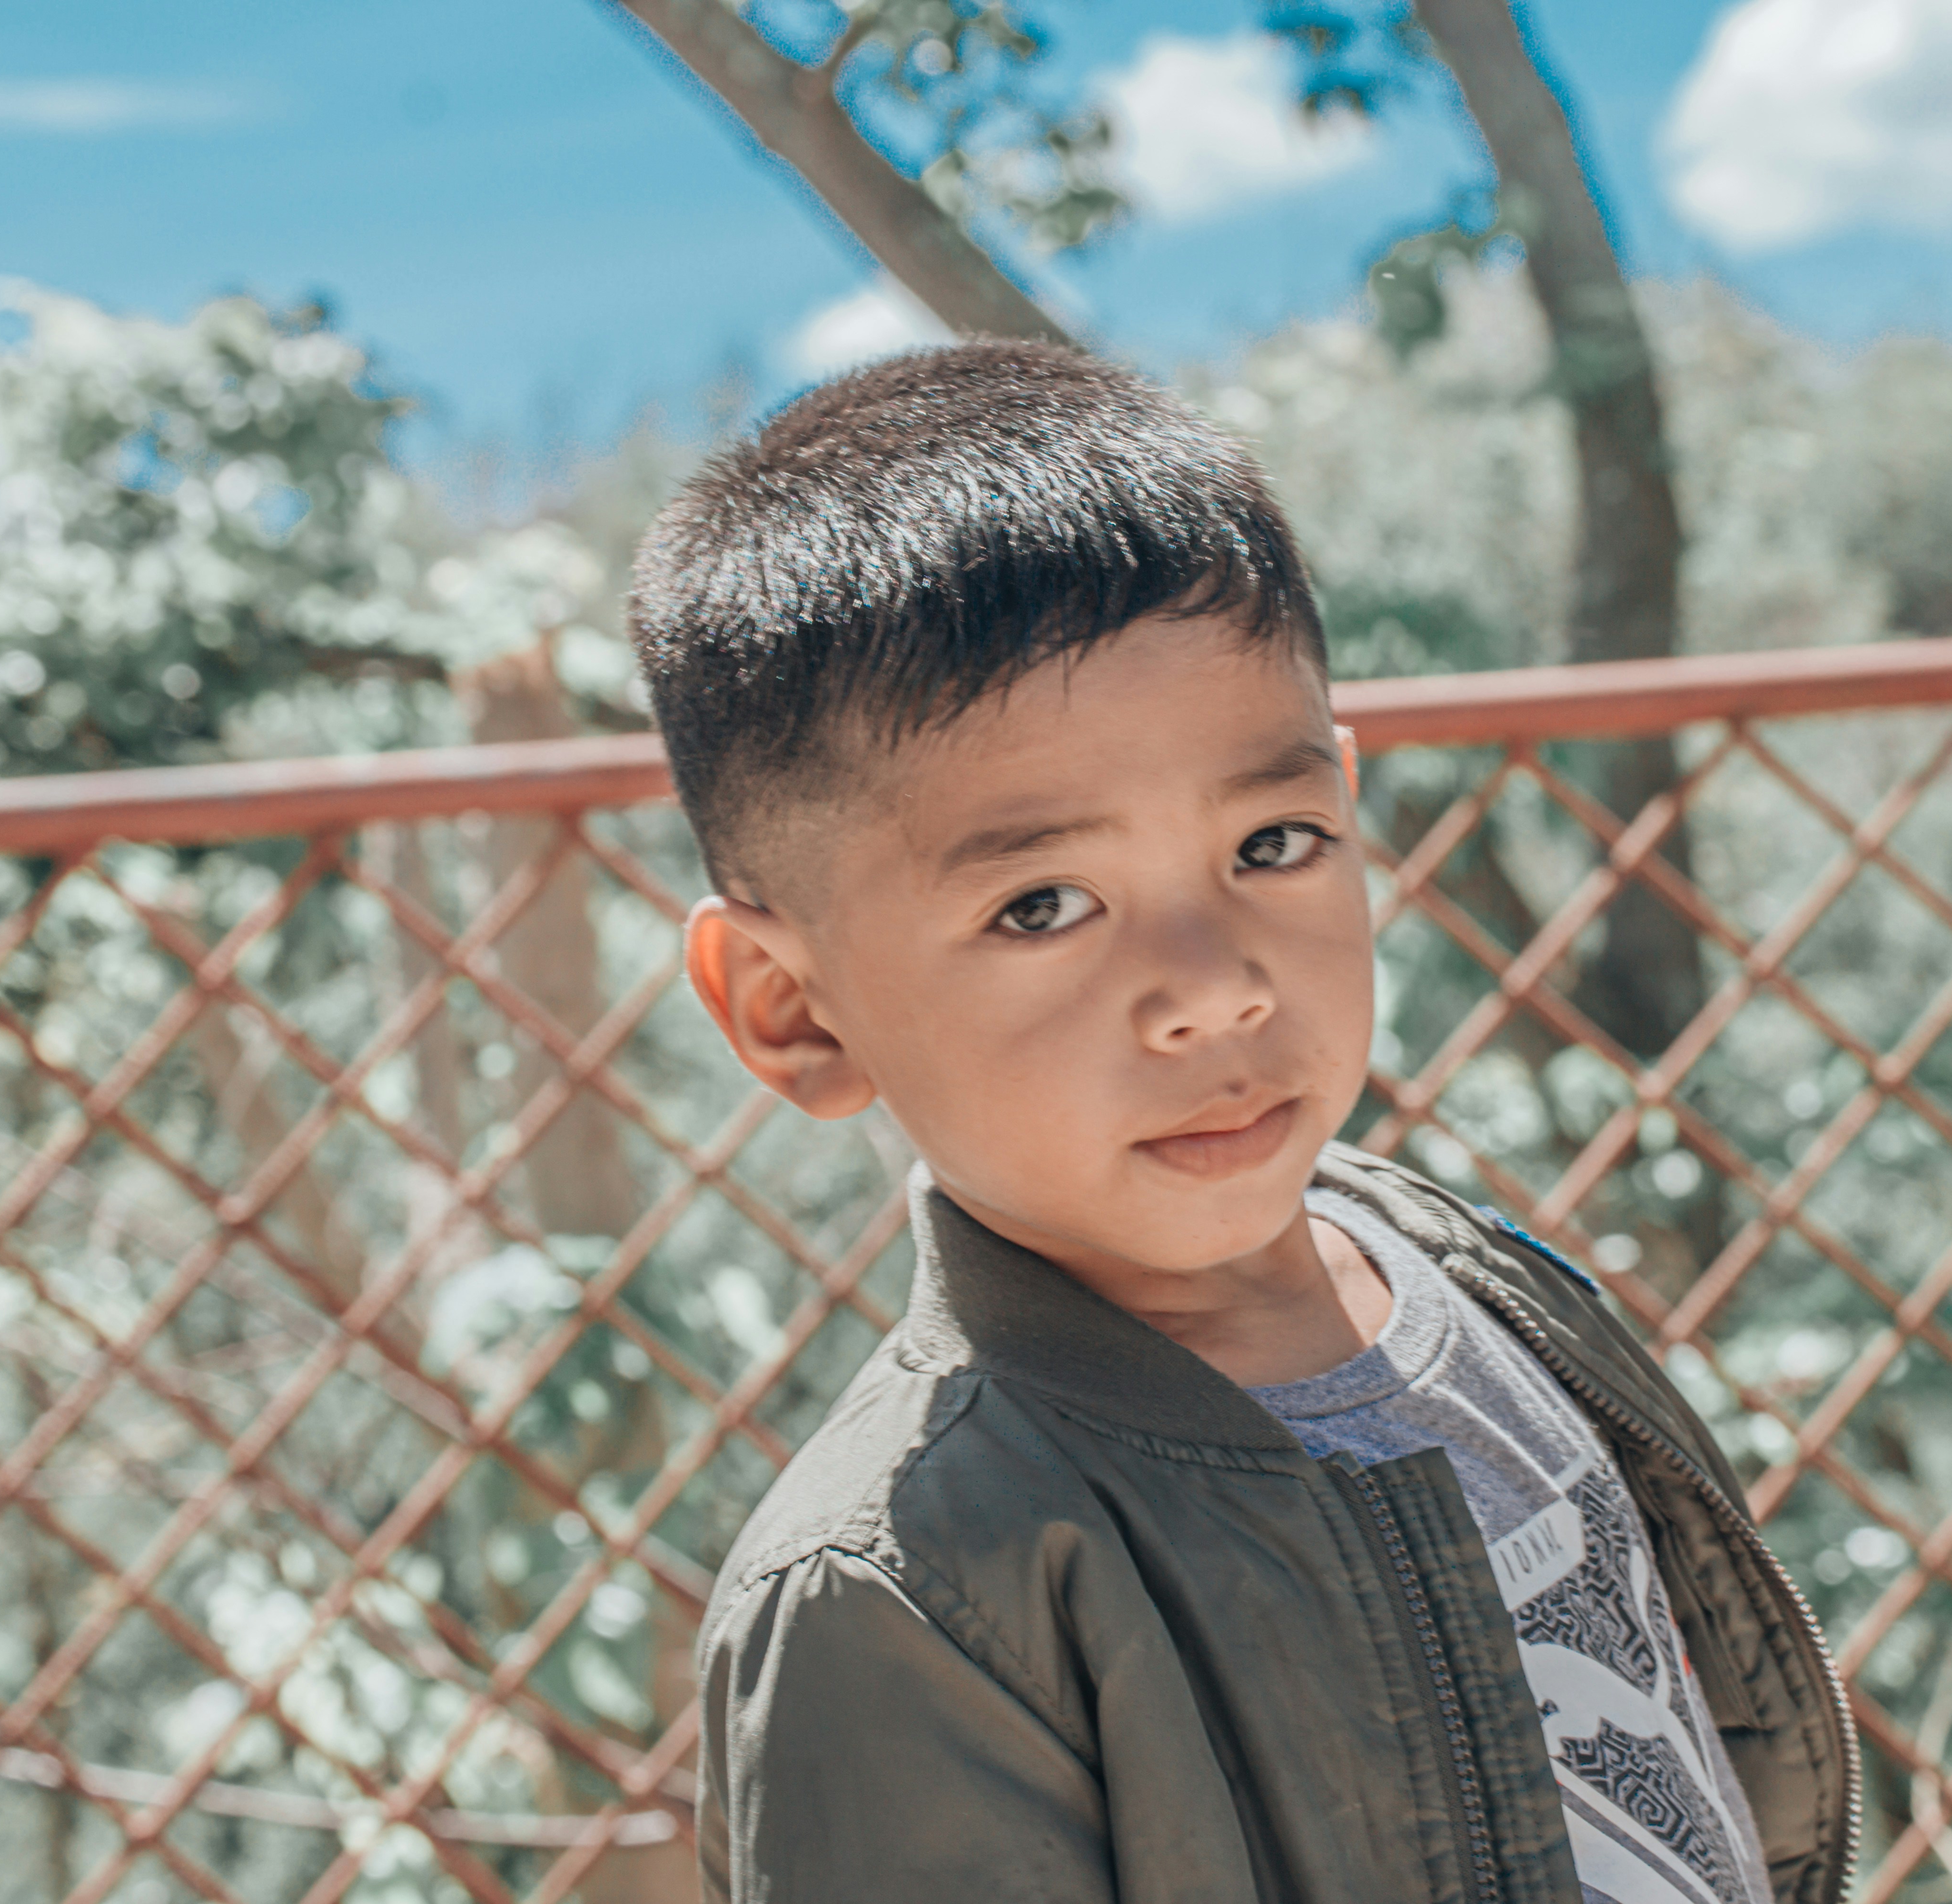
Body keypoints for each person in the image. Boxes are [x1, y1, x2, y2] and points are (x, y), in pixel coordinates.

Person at [626, 339, 1857, 1904]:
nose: (1211, 991)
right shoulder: (909, 1589)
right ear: (790, 1010)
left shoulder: (1476, 1282)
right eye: (1045, 905)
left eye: (1274, 842)